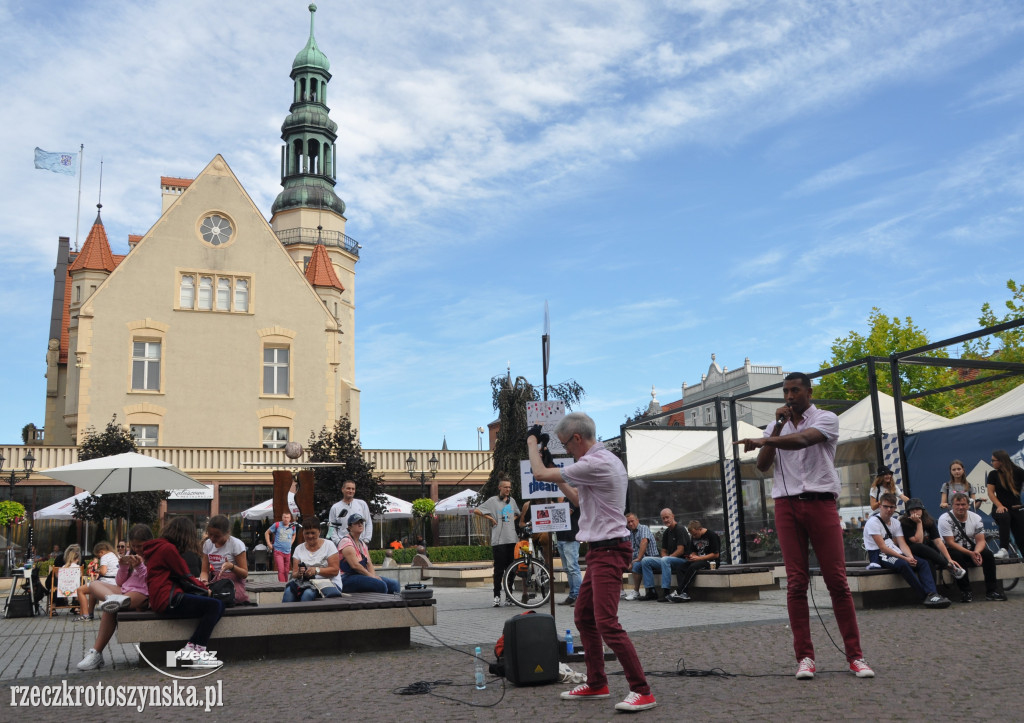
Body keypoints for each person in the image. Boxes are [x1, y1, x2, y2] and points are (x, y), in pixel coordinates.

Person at [736, 372, 874, 680]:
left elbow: (803, 441)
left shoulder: (826, 419)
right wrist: (775, 430)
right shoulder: (777, 426)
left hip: (820, 503)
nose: (789, 396)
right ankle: (805, 658)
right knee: (796, 583)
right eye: (785, 391)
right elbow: (761, 465)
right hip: (786, 505)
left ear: (809, 392)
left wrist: (766, 437)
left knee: (836, 580)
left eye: (795, 390)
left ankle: (855, 656)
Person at [528, 413, 656, 712]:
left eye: (566, 446)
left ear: (577, 438)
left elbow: (539, 475)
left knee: (607, 623)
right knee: (585, 617)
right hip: (602, 550)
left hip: (610, 550)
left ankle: (643, 690)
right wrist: (550, 465)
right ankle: (598, 683)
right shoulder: (597, 463)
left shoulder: (597, 462)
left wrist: (532, 442)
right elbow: (576, 499)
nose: (566, 452)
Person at [140, 517, 224, 667]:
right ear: (184, 534)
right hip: (168, 599)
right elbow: (187, 576)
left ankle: (191, 649)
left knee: (217, 605)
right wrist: (207, 590)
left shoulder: (160, 547)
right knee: (215, 606)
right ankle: (197, 652)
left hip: (162, 598)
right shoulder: (168, 549)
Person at [77, 524, 153, 671]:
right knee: (94, 585)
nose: (137, 549)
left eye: (140, 546)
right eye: (134, 546)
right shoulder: (131, 554)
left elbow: (150, 580)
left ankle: (96, 652)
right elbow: (120, 581)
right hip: (124, 591)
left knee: (110, 608)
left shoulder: (154, 555)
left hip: (143, 593)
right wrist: (123, 566)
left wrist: (140, 566)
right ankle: (113, 599)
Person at [864, 493, 949, 608]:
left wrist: (910, 557)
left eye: (892, 507)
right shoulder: (873, 522)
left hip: (895, 552)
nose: (889, 510)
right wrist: (905, 558)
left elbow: (902, 543)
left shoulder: (896, 522)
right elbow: (883, 547)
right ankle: (924, 596)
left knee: (923, 563)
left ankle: (932, 594)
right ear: (880, 507)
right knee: (903, 564)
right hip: (878, 554)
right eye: (886, 506)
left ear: (895, 508)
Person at [938, 492, 1007, 602]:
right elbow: (950, 542)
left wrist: (977, 552)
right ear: (952, 505)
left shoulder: (976, 518)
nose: (961, 507)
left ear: (968, 505)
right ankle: (966, 592)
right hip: (952, 550)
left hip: (971, 548)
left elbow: (981, 540)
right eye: (957, 504)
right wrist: (970, 553)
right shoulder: (944, 519)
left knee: (988, 555)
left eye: (963, 504)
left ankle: (992, 591)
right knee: (958, 557)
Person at [473, 477, 521, 607]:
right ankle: (496, 596)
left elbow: (518, 513)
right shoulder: (492, 501)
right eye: (505, 487)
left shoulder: (512, 501)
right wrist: (490, 518)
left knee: (511, 570)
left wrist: (511, 519)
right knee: (499, 570)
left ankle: (509, 596)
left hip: (512, 539)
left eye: (509, 487)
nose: (508, 489)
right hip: (499, 541)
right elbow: (476, 510)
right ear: (500, 487)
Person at [899, 497, 965, 587]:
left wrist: (949, 559)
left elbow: (938, 541)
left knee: (929, 562)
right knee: (919, 547)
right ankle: (947, 566)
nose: (915, 512)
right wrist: (919, 523)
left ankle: (933, 593)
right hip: (911, 551)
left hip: (928, 552)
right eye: (912, 510)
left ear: (922, 510)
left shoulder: (929, 521)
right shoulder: (905, 522)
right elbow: (918, 541)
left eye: (917, 509)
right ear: (908, 512)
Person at [283, 516, 343, 601]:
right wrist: (300, 573)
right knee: (289, 593)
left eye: (313, 533)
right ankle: (286, 614)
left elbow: (335, 570)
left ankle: (304, 614)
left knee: (307, 594)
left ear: (319, 532)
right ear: (303, 533)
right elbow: (294, 574)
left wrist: (316, 570)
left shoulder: (329, 545)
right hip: (306, 583)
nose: (310, 536)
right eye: (307, 533)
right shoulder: (298, 549)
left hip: (328, 583)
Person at [337, 514, 399, 594]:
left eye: (361, 522)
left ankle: (395, 605)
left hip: (361, 575)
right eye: (356, 523)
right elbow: (355, 565)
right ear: (349, 527)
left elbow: (369, 564)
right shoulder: (346, 541)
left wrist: (373, 576)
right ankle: (380, 605)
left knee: (394, 584)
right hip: (346, 578)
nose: (360, 524)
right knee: (380, 585)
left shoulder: (362, 543)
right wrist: (371, 577)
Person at [639, 508, 690, 603]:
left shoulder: (680, 529)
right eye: (663, 518)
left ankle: (666, 591)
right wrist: (664, 557)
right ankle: (651, 591)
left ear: (672, 516)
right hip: (668, 560)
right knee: (645, 560)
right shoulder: (667, 532)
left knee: (665, 560)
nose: (665, 520)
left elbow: (680, 550)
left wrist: (667, 557)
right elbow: (663, 550)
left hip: (682, 561)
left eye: (667, 517)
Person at [201, 514, 250, 604]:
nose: (212, 538)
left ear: (227, 533)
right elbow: (204, 571)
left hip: (232, 583)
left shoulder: (236, 544)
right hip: (215, 581)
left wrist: (231, 567)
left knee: (223, 598)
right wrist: (204, 581)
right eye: (210, 534)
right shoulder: (207, 544)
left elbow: (244, 574)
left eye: (216, 536)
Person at [669, 520, 721, 602]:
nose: (694, 536)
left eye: (695, 534)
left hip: (711, 561)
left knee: (693, 567)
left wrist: (698, 558)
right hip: (698, 559)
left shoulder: (712, 535)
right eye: (692, 535)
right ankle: (683, 594)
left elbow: (716, 554)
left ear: (700, 529)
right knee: (680, 568)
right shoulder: (693, 536)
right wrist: (692, 556)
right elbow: (694, 550)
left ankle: (679, 591)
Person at [986, 449, 1024, 558]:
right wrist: (1000, 505)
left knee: (1021, 537)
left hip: (1016, 508)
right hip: (999, 508)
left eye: (993, 460)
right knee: (1005, 516)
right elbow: (990, 492)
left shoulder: (1019, 472)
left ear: (1001, 461)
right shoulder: (993, 474)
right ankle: (1004, 549)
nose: (991, 462)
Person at [74, 541, 118, 621]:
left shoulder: (105, 557)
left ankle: (85, 615)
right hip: (114, 582)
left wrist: (97, 571)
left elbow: (103, 572)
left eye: (99, 555)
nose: (99, 557)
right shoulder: (115, 555)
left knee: (80, 590)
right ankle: (90, 613)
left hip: (106, 582)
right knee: (92, 591)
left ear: (102, 551)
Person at [624, 513, 658, 601]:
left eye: (632, 521)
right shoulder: (631, 533)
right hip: (642, 560)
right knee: (618, 564)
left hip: (653, 558)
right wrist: (629, 562)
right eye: (628, 522)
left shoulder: (643, 528)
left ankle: (636, 591)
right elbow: (632, 550)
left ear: (637, 520)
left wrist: (637, 559)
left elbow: (644, 542)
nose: (630, 524)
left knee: (637, 564)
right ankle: (620, 591)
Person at [327, 480, 373, 545]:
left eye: (353, 489)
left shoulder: (362, 504)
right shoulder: (335, 507)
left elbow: (368, 523)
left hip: (360, 543)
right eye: (348, 488)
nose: (351, 491)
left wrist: (366, 540)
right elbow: (331, 527)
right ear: (342, 489)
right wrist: (338, 542)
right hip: (343, 545)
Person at [555, 497, 582, 606]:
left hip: (571, 538)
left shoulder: (570, 498)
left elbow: (565, 514)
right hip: (561, 538)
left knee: (573, 568)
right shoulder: (559, 500)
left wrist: (558, 504)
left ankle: (580, 596)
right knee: (567, 569)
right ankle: (572, 595)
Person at [266, 511, 299, 583]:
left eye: (287, 517)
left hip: (288, 551)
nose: (286, 519)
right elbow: (267, 533)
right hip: (278, 551)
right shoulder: (277, 524)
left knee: (287, 570)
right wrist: (269, 544)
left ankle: (286, 584)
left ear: (290, 518)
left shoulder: (293, 526)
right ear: (282, 517)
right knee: (281, 569)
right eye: (284, 517)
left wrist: (291, 542)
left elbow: (294, 535)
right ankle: (282, 585)